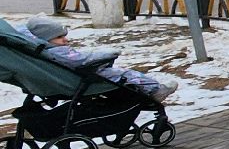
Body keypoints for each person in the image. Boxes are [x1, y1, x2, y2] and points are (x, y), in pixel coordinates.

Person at [23, 16, 179, 102]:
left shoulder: (44, 50)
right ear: (45, 38)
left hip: (72, 75)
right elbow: (82, 59)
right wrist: (108, 54)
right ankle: (155, 90)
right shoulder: (58, 52)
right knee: (127, 75)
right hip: (86, 77)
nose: (65, 40)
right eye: (59, 37)